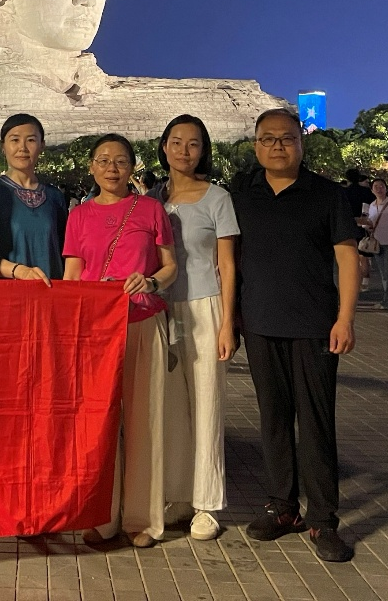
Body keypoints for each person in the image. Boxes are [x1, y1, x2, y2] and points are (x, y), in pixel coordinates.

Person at [231, 109, 359, 564]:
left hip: (314, 325)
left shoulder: (328, 194)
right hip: (260, 323)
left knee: (317, 423)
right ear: (256, 146)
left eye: (286, 138)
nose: (278, 146)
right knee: (273, 420)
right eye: (268, 139)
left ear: (301, 145)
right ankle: (282, 507)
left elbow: (347, 259)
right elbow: (230, 260)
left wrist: (345, 318)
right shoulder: (241, 196)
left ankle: (324, 519)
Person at [63, 133, 177, 549]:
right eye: (103, 160)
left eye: (121, 161)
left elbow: (170, 267)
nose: (112, 168)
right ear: (91, 167)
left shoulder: (150, 209)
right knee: (100, 423)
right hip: (96, 330)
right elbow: (73, 275)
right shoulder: (79, 216)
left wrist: (150, 282)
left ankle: (142, 517)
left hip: (143, 320)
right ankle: (101, 514)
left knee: (145, 421)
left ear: (132, 168)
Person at [153, 115, 238, 542]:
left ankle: (207, 503)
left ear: (203, 150)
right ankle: (179, 495)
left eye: (193, 143)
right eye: (176, 142)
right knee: (171, 407)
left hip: (205, 307)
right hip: (161, 309)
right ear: (164, 147)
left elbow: (228, 264)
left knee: (207, 403)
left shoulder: (217, 198)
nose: (184, 151)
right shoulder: (152, 199)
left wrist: (228, 323)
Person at [0, 113, 68, 282]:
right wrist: (17, 271)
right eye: (15, 140)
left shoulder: (55, 197)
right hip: (7, 291)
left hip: (51, 290)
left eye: (31, 140)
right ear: (3, 146)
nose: (22, 148)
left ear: (42, 145)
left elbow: (67, 252)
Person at [362, 178, 388, 311]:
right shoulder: (371, 206)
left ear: (386, 188)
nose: (379, 189)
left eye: (382, 186)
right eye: (376, 186)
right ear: (372, 190)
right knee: (384, 275)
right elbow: (370, 223)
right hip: (377, 245)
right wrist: (365, 224)